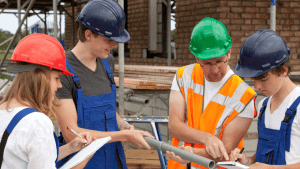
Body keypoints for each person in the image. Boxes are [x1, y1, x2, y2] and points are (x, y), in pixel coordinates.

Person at [55, 0, 153, 168]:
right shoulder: (63, 70)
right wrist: (124, 136)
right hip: (83, 161)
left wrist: (126, 127)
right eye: (109, 39)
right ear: (88, 35)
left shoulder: (107, 61)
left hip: (113, 159)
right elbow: (72, 134)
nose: (114, 45)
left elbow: (108, 111)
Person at [167, 17, 257, 169]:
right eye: (207, 63)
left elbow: (224, 152)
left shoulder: (244, 96)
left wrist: (189, 153)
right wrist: (206, 138)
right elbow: (174, 126)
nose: (214, 70)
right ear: (197, 57)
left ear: (229, 53)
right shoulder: (184, 76)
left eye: (219, 61)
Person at [0, 33, 94, 169]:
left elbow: (23, 158)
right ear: (40, 78)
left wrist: (71, 148)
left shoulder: (3, 110)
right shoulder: (36, 123)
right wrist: (85, 158)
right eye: (56, 78)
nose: (60, 85)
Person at [229, 29, 300, 168]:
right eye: (254, 79)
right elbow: (267, 152)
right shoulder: (263, 106)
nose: (256, 86)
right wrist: (248, 160)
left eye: (263, 78)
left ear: (283, 70)